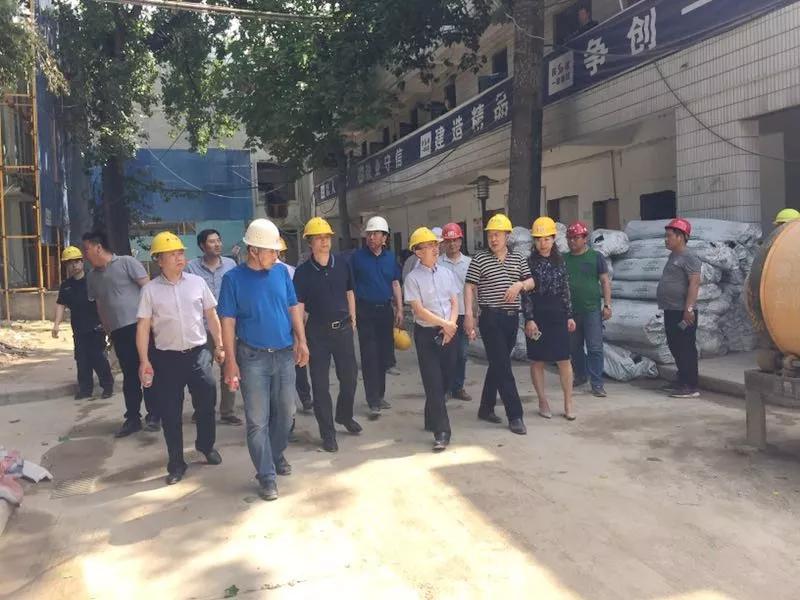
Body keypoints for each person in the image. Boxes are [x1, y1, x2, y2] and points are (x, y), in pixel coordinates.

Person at [217, 218, 309, 501]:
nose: (276, 255)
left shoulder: (281, 273)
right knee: (258, 421)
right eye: (271, 250)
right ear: (254, 250)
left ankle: (275, 453)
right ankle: (266, 474)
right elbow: (228, 321)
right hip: (252, 357)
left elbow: (293, 307)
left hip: (284, 354)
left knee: (287, 414)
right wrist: (230, 361)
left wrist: (302, 340)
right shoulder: (233, 280)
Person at [135, 232, 224, 485]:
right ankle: (176, 463)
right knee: (171, 413)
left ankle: (206, 445)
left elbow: (211, 316)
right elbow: (143, 327)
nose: (179, 258)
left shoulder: (197, 283)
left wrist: (219, 346)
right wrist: (144, 360)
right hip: (166, 359)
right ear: (159, 260)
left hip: (198, 353)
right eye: (172, 254)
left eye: (181, 253)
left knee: (206, 403)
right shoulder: (150, 291)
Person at [293, 217, 362, 453]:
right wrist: (300, 339)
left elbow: (350, 292)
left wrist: (353, 319)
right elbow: (299, 307)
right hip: (317, 333)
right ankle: (328, 433)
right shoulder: (302, 273)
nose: (324, 242)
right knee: (320, 386)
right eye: (319, 238)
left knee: (350, 378)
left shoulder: (342, 264)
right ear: (310, 243)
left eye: (327, 237)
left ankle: (344, 415)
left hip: (343, 329)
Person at [464, 214, 534, 435]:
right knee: (503, 366)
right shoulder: (480, 258)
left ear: (507, 236)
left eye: (497, 235)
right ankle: (515, 415)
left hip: (511, 318)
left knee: (497, 364)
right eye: (490, 235)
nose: (493, 239)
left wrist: (519, 285)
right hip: (490, 318)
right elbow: (469, 286)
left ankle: (485, 408)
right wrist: (469, 315)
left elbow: (531, 281)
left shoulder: (518, 258)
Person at [82, 230, 157, 437]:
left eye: (86, 249)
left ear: (98, 247)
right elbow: (99, 303)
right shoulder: (92, 277)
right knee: (130, 376)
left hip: (140, 327)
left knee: (147, 370)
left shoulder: (126, 263)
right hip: (118, 332)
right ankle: (132, 418)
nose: (84, 254)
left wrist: (153, 322)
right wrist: (107, 330)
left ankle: (154, 415)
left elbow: (148, 290)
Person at [404, 227, 460, 452]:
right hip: (427, 334)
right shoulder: (412, 279)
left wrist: (451, 325)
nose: (435, 249)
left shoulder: (446, 273)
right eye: (429, 246)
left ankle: (431, 416)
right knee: (433, 383)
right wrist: (444, 324)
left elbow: (454, 302)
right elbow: (419, 311)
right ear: (418, 252)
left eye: (436, 245)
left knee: (447, 380)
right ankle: (442, 431)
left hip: (449, 332)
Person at [185, 228, 241, 425]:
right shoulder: (191, 268)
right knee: (201, 372)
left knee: (230, 368)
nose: (217, 244)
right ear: (202, 246)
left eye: (218, 240)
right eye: (211, 241)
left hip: (227, 325)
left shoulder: (231, 265)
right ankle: (202, 409)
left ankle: (228, 411)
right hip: (202, 328)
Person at [523, 217, 577, 421]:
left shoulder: (560, 261)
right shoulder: (528, 263)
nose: (542, 243)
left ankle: (568, 402)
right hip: (537, 315)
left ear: (554, 239)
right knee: (537, 360)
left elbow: (565, 290)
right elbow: (526, 294)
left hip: (558, 314)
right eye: (538, 239)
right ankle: (542, 400)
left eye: (546, 239)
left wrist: (569, 315)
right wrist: (529, 318)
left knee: (564, 359)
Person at [350, 215, 403, 420]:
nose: (371, 237)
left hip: (385, 311)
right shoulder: (357, 258)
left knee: (383, 355)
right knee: (370, 355)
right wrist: (352, 314)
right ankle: (372, 400)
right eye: (369, 234)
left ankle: (380, 395)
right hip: (365, 311)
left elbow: (395, 283)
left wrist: (399, 309)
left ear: (385, 237)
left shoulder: (390, 258)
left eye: (375, 234)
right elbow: (350, 288)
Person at [52, 245, 114, 400]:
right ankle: (85, 389)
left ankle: (107, 386)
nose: (73, 265)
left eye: (76, 261)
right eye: (69, 263)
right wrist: (56, 324)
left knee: (98, 358)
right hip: (79, 329)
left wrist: (107, 323)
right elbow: (61, 304)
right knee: (82, 360)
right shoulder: (66, 286)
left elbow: (104, 301)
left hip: (96, 327)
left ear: (81, 262)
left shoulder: (92, 280)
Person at [564, 221, 612, 397]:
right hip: (571, 311)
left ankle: (597, 383)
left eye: (576, 238)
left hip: (591, 310)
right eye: (569, 238)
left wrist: (607, 305)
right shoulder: (564, 259)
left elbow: (605, 281)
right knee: (574, 347)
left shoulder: (596, 257)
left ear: (585, 239)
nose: (572, 241)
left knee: (594, 347)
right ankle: (580, 375)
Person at [657, 218, 701, 399]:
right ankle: (682, 379)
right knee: (675, 345)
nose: (666, 239)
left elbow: (694, 283)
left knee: (685, 347)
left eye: (669, 236)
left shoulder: (689, 257)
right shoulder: (673, 256)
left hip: (683, 311)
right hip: (671, 309)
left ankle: (690, 385)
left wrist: (688, 309)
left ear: (681, 237)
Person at [275, 236, 313, 412]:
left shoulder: (290, 272)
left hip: (289, 323)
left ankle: (303, 398)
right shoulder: (290, 271)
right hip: (283, 325)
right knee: (291, 365)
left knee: (297, 363)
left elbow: (299, 301)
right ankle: (301, 400)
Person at [438, 222, 472, 401]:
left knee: (462, 354)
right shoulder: (437, 263)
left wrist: (473, 315)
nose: (452, 244)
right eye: (448, 241)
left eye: (455, 240)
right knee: (446, 353)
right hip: (444, 316)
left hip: (464, 314)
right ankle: (446, 388)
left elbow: (474, 290)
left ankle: (458, 387)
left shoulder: (469, 263)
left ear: (460, 241)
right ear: (443, 242)